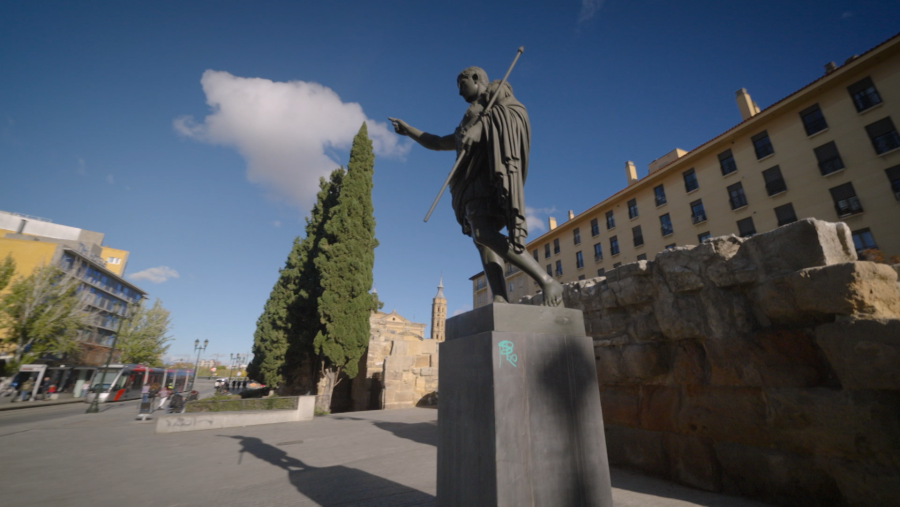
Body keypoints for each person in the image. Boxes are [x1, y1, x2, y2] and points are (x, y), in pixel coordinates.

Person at [389, 67, 563, 306]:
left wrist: (481, 128)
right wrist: (409, 131)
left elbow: (514, 114)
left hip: (487, 179)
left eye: (462, 86)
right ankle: (500, 296)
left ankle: (547, 281)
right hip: (468, 184)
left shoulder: (497, 94)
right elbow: (439, 142)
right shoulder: (467, 119)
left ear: (475, 79)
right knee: (481, 241)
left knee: (483, 233)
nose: (460, 94)